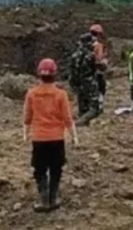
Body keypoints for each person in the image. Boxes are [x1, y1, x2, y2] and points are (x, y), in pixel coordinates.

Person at [23, 58, 77, 212]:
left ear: (39, 74)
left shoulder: (32, 94)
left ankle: (44, 199)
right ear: (55, 74)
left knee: (39, 169)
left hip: (39, 139)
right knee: (55, 169)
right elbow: (67, 118)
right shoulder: (61, 94)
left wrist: (26, 134)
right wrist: (74, 136)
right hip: (56, 139)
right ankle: (53, 199)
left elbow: (27, 117)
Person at [68, 34, 101, 126]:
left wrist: (73, 84)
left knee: (83, 108)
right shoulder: (91, 56)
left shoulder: (74, 56)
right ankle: (79, 122)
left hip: (79, 84)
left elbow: (71, 72)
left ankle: (83, 124)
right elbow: (99, 67)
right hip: (90, 83)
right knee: (95, 108)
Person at [88, 24, 108, 106]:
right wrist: (104, 63)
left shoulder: (86, 45)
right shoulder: (98, 45)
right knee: (100, 87)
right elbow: (99, 60)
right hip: (97, 71)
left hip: (87, 72)